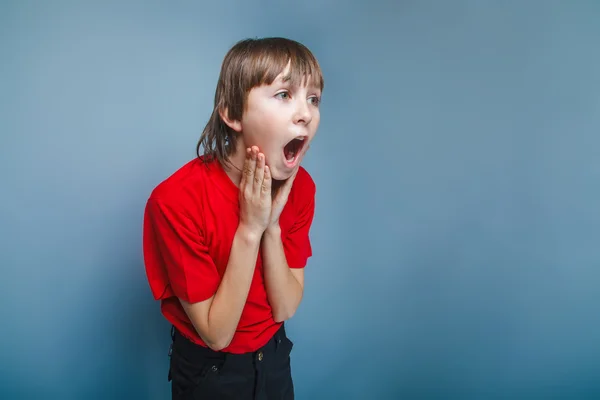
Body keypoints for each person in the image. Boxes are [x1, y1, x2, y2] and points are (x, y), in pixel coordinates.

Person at [142, 37, 323, 399]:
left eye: (313, 98)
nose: (305, 112)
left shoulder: (300, 187)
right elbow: (217, 334)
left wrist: (271, 225)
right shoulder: (175, 200)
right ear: (232, 114)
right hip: (210, 371)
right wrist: (251, 227)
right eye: (285, 94)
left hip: (272, 358)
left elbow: (285, 306)